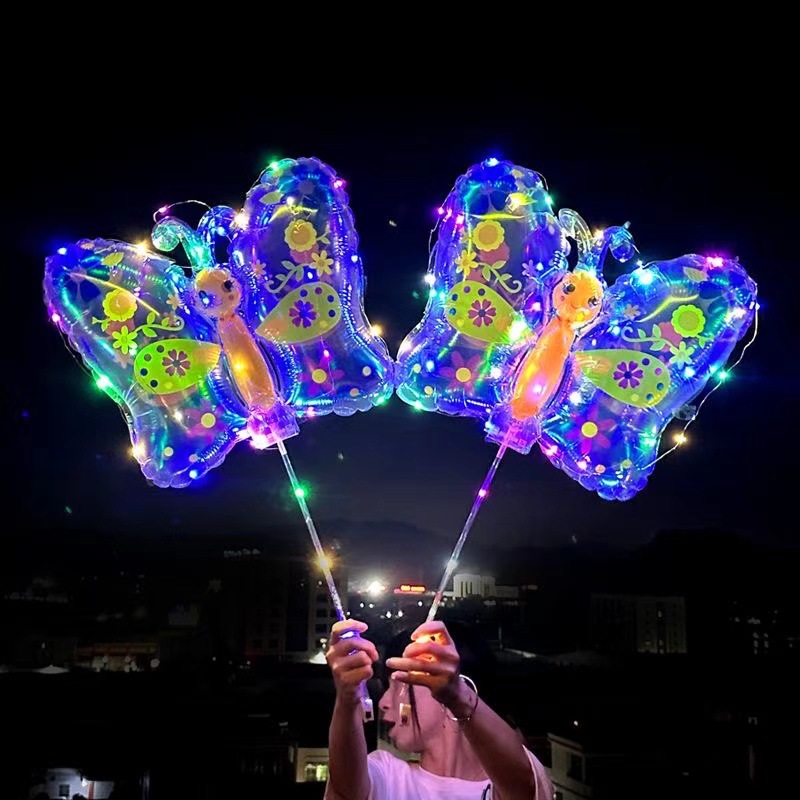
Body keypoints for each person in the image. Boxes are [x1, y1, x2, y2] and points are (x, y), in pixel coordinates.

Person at [324, 618, 553, 800]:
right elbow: (346, 789)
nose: (383, 702)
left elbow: (525, 786)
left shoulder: (506, 780)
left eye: (397, 685)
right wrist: (346, 697)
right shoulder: (386, 774)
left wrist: (457, 694)